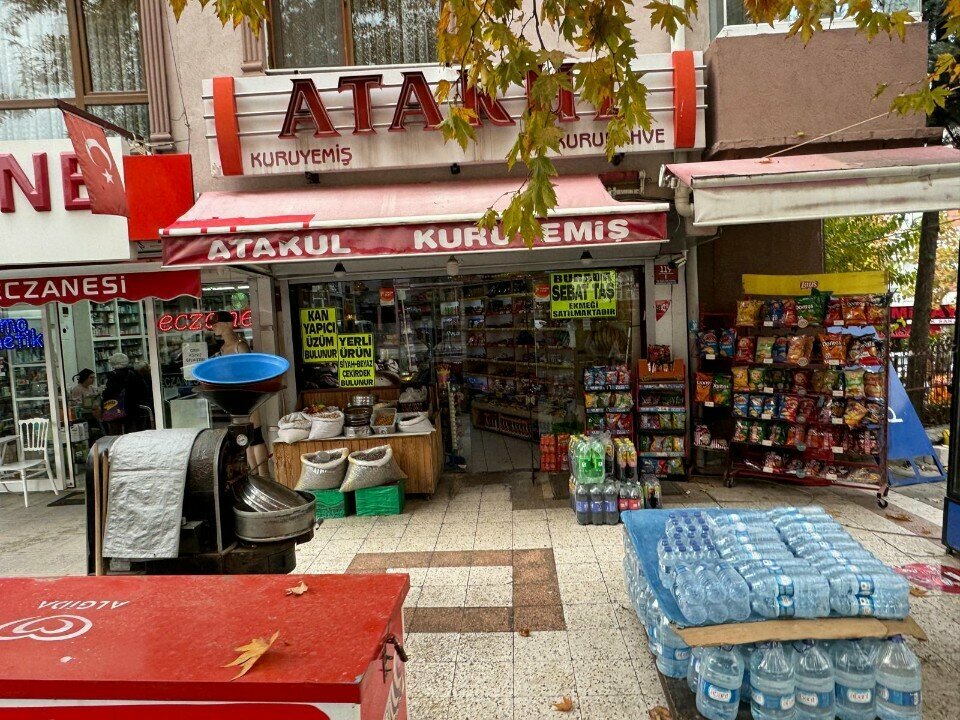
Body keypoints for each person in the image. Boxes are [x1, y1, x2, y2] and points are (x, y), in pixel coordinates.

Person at [100, 352, 150, 434]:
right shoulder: (134, 373)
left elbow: (109, 394)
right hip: (133, 409)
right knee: (132, 432)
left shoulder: (113, 376)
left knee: (116, 433)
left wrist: (103, 394)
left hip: (117, 409)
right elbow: (143, 390)